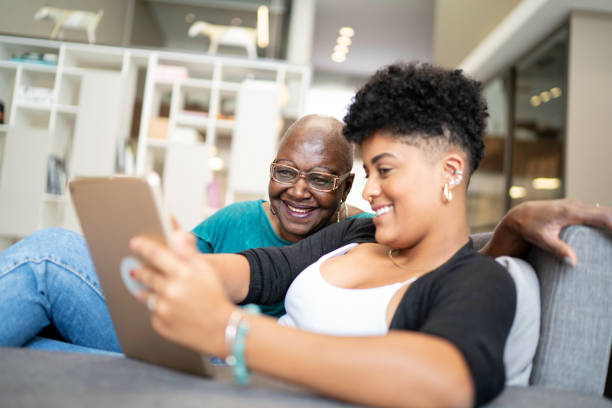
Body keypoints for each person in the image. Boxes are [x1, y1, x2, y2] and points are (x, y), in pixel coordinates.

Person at [128, 63, 612, 407]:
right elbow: (262, 270)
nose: (369, 189)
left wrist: (232, 333)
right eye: (367, 171)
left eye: (384, 170)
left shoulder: (478, 281)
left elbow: (446, 381)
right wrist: (180, 265)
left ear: (450, 171)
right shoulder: (357, 231)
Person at [0, 114, 367, 352]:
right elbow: (168, 265)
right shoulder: (236, 219)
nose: (298, 191)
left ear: (346, 187)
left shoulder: (356, 240)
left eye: (320, 179)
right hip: (172, 331)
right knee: (34, 343)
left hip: (213, 351)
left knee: (47, 255)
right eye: (285, 172)